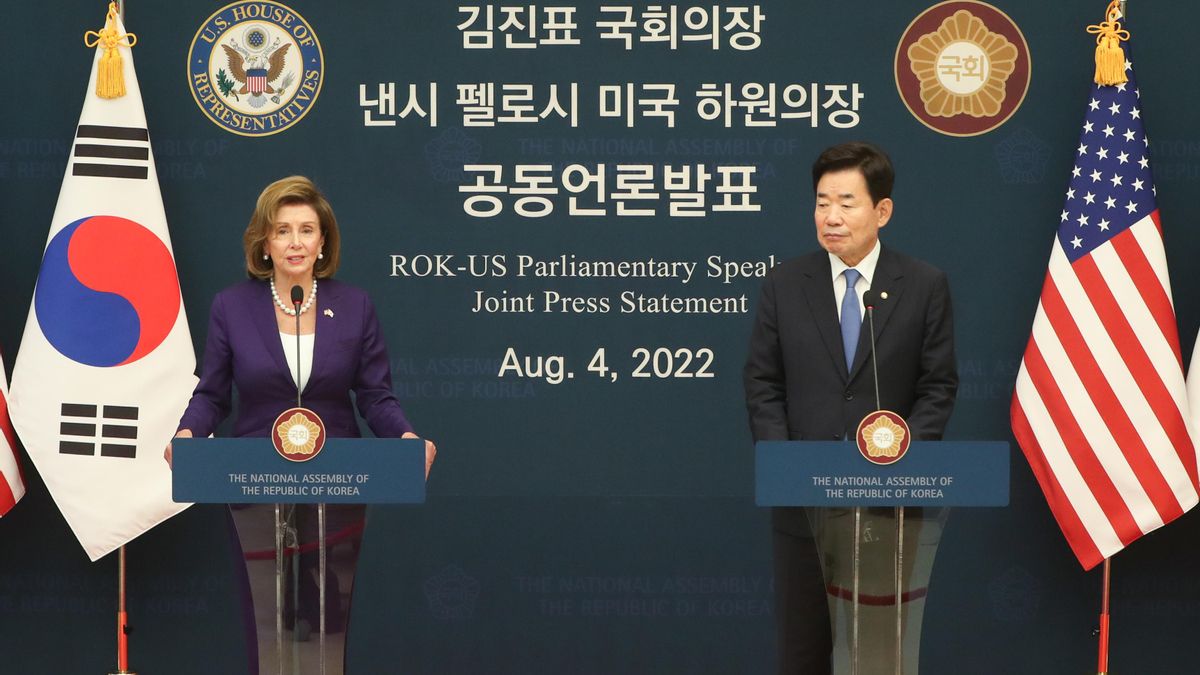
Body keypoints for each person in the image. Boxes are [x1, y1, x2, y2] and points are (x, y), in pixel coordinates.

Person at [165, 175, 436, 644]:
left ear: (323, 241)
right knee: (267, 622)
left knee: (326, 620)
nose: (296, 242)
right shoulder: (232, 306)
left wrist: (407, 440)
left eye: (307, 230)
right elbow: (212, 394)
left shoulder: (355, 306)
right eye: (283, 230)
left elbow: (375, 394)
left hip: (338, 483)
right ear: (264, 243)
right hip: (253, 484)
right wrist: (188, 435)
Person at [743, 142, 956, 674]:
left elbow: (938, 387)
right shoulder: (786, 284)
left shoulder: (924, 285)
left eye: (846, 202)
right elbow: (763, 382)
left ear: (881, 211)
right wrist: (784, 465)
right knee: (804, 652)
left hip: (889, 507)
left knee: (878, 657)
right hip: (804, 511)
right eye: (821, 202)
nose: (830, 217)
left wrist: (901, 464)